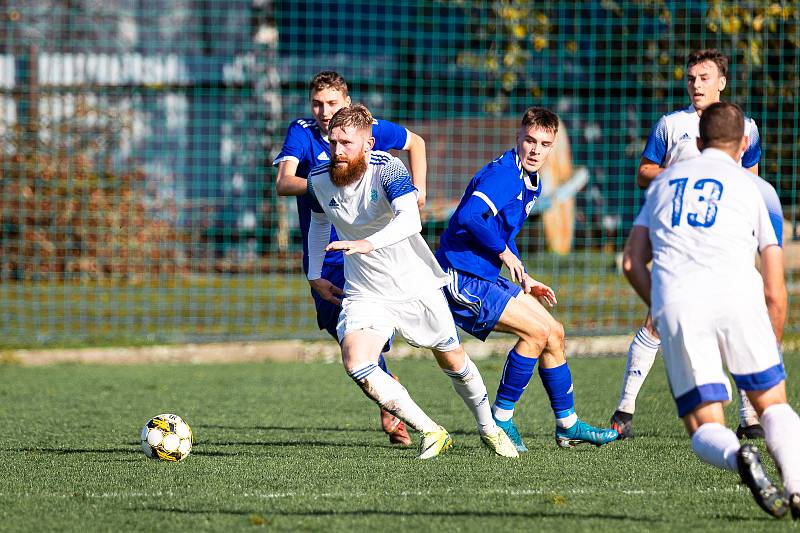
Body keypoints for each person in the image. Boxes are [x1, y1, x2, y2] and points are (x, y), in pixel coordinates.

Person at [305, 104, 518, 459]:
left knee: (451, 359)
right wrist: (314, 274)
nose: (338, 150)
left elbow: (410, 221)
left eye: (347, 143)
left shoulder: (388, 169)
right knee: (356, 362)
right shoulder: (319, 177)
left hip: (414, 285)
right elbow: (317, 221)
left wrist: (366, 243)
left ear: (369, 144)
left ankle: (488, 428)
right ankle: (431, 431)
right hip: (366, 293)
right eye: (334, 142)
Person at [623, 102, 799, 519]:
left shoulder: (662, 187)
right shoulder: (757, 190)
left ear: (698, 142)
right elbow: (775, 286)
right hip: (741, 299)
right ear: (743, 145)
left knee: (705, 427)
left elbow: (632, 261)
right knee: (773, 404)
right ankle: (796, 486)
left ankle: (739, 456)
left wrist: (662, 308)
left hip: (682, 305)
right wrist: (771, 336)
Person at [434, 107, 618, 452]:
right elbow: (471, 216)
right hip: (462, 277)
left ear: (552, 147)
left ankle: (567, 425)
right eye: (530, 140)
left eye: (544, 144)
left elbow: (500, 229)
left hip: (484, 274)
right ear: (519, 136)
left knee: (555, 332)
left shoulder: (530, 179)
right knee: (535, 332)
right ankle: (501, 420)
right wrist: (504, 255)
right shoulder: (505, 175)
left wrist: (525, 277)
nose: (535, 149)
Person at [610, 49, 766, 440]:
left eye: (704, 77)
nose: (696, 85)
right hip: (679, 237)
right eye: (691, 78)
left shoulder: (745, 127)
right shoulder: (671, 124)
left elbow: (752, 180)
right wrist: (678, 172)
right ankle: (624, 409)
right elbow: (645, 171)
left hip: (725, 239)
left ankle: (750, 419)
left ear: (722, 82)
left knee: (739, 321)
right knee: (659, 318)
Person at [274, 71, 427, 446]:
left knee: (358, 335)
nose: (324, 111)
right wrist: (322, 182)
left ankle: (395, 406)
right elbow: (283, 182)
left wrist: (418, 191)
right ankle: (388, 387)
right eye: (317, 103)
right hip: (324, 251)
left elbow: (416, 143)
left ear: (347, 102)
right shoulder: (303, 131)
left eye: (332, 103)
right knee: (337, 326)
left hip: (366, 247)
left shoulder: (367, 128)